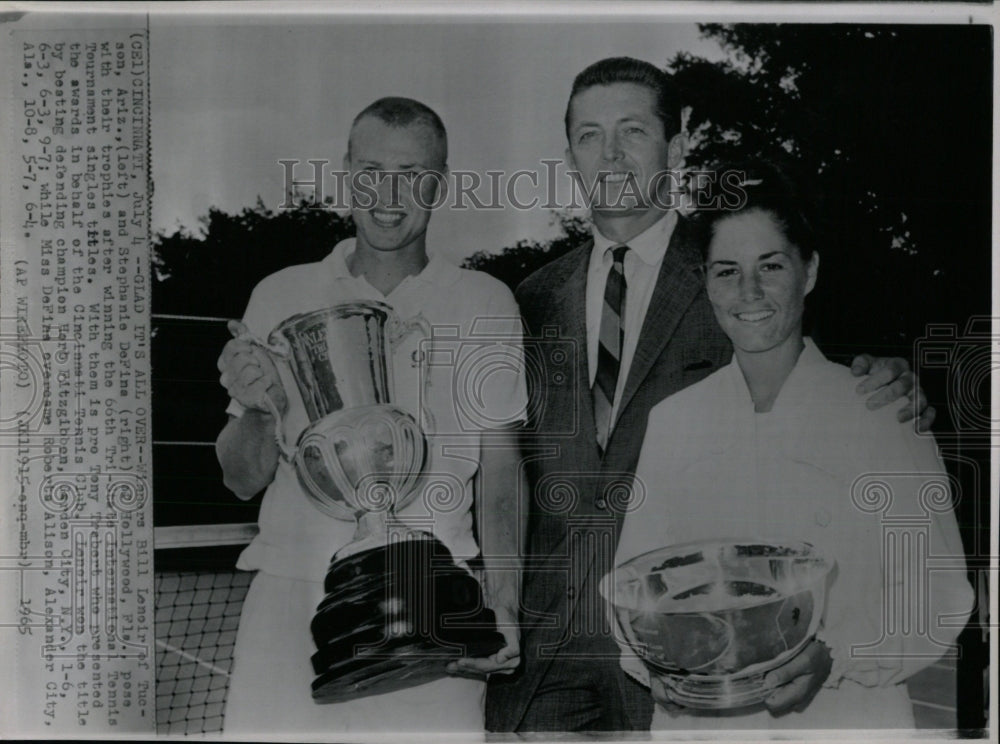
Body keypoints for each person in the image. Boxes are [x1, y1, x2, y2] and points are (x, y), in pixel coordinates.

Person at [485, 57, 933, 733]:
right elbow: (504, 470)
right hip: (550, 657)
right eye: (589, 135)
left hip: (699, 656)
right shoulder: (529, 300)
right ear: (570, 153)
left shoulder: (740, 274)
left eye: (632, 131)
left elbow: (839, 381)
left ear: (677, 143)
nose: (610, 154)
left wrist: (891, 377)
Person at [610, 160, 973, 729]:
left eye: (771, 266)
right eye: (726, 271)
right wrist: (654, 666)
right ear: (705, 282)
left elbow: (938, 592)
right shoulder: (673, 420)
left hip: (845, 718)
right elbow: (635, 586)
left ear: (809, 272)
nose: (749, 292)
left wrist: (840, 654)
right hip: (706, 727)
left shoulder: (881, 408)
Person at [215, 97, 526, 735]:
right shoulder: (280, 293)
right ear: (347, 174)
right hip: (292, 595)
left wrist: (506, 604)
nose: (389, 193)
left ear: (440, 184)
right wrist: (252, 404)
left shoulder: (485, 302)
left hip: (432, 601)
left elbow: (500, 476)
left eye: (412, 174)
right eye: (371, 171)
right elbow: (241, 477)